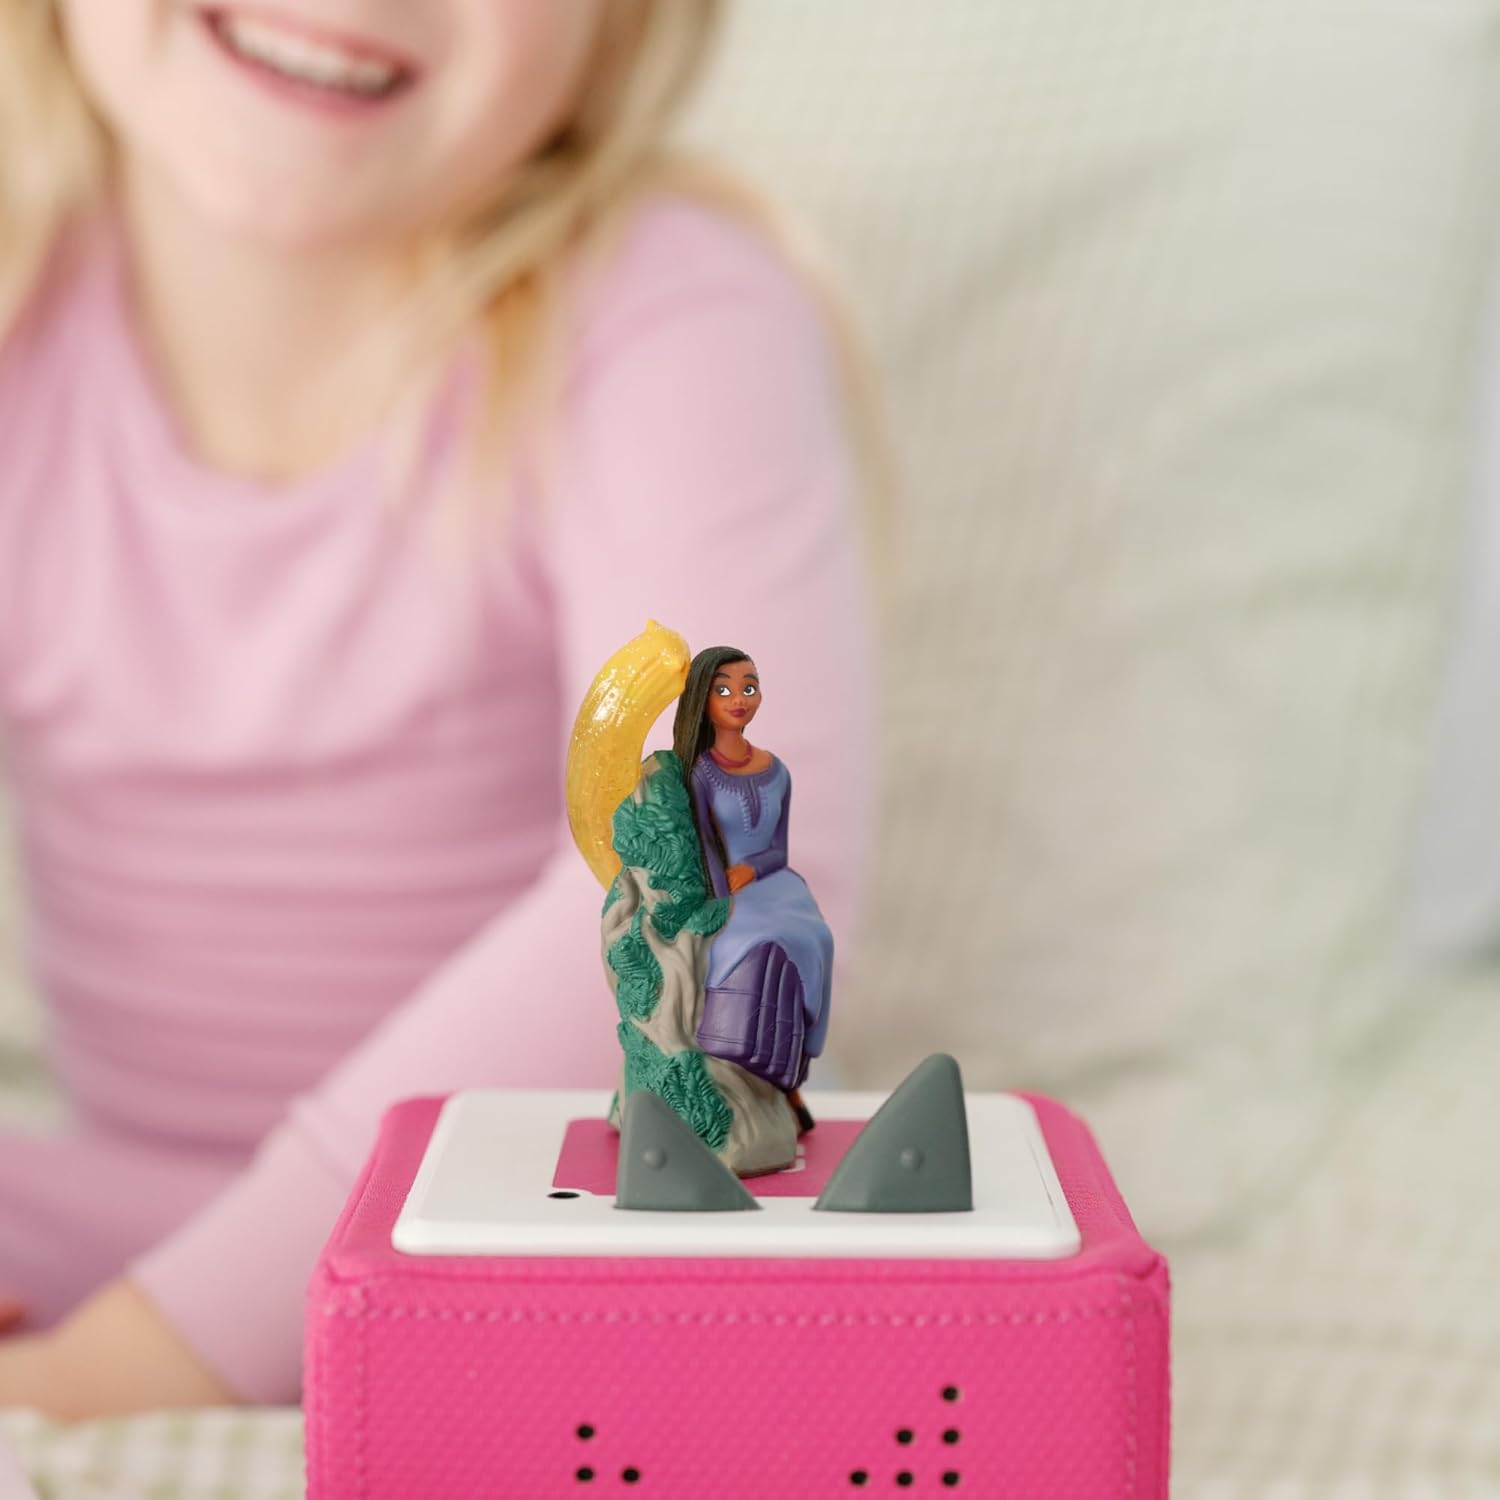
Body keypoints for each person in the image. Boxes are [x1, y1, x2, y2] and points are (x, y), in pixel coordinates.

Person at [0, 0, 875, 1416]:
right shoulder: (22, 297)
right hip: (119, 1214)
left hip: (547, 1213)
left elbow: (722, 871)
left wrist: (136, 1362)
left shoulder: (664, 309)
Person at [673, 648, 833, 1102]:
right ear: (702, 699)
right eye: (723, 690)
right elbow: (703, 842)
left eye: (749, 687)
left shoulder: (776, 770)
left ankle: (792, 1068)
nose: (739, 699)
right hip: (720, 887)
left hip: (772, 880)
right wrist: (718, 892)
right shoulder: (698, 772)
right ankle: (737, 1057)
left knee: (815, 936)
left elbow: (779, 847)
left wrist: (752, 868)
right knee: (756, 938)